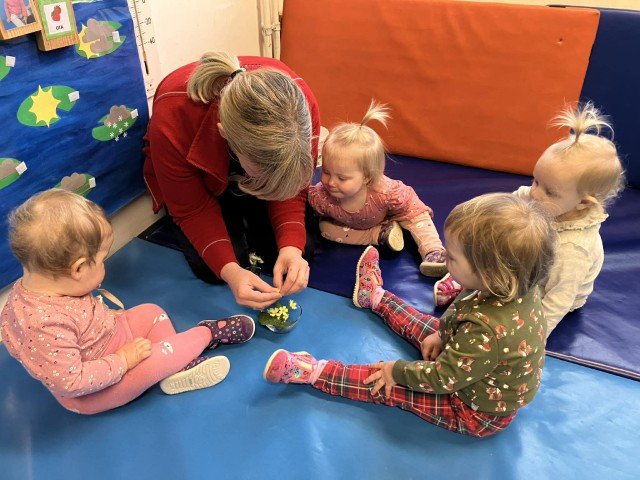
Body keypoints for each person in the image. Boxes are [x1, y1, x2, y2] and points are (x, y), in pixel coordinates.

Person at [263, 193, 556, 437]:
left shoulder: (486, 332)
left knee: (386, 384)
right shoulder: (510, 285)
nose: (445, 258)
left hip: (472, 409)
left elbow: (442, 378)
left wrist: (397, 371)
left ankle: (312, 372)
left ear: (491, 276)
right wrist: (442, 334)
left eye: (453, 258)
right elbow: (463, 308)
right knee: (424, 325)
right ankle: (374, 297)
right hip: (471, 359)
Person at [0, 189, 256, 415]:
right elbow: (72, 382)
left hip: (108, 336)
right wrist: (122, 360)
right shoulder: (43, 324)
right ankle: (205, 335)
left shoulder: (40, 286)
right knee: (155, 360)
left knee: (151, 312)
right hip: (92, 390)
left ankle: (176, 366)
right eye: (101, 261)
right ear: (78, 269)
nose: (104, 265)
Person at [143, 52, 321, 310]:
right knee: (213, 269)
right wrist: (231, 272)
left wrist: (291, 248)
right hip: (202, 175)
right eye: (262, 176)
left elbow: (292, 186)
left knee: (302, 249)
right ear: (223, 134)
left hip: (249, 158)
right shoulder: (173, 116)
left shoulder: (301, 106)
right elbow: (191, 209)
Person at [434, 102, 625, 337]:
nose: (534, 193)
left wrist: (533, 336)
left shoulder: (573, 250)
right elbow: (501, 219)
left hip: (544, 292)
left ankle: (476, 281)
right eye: (535, 181)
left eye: (549, 191)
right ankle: (468, 276)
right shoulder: (535, 198)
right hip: (521, 267)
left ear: (583, 202)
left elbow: (558, 300)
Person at [307, 100, 446, 277]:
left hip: (389, 212)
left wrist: (415, 221)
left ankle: (434, 252)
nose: (331, 182)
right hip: (351, 226)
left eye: (342, 178)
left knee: (417, 219)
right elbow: (305, 208)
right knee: (325, 228)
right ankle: (381, 235)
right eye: (326, 172)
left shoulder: (386, 193)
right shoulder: (321, 197)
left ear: (367, 177)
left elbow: (412, 206)